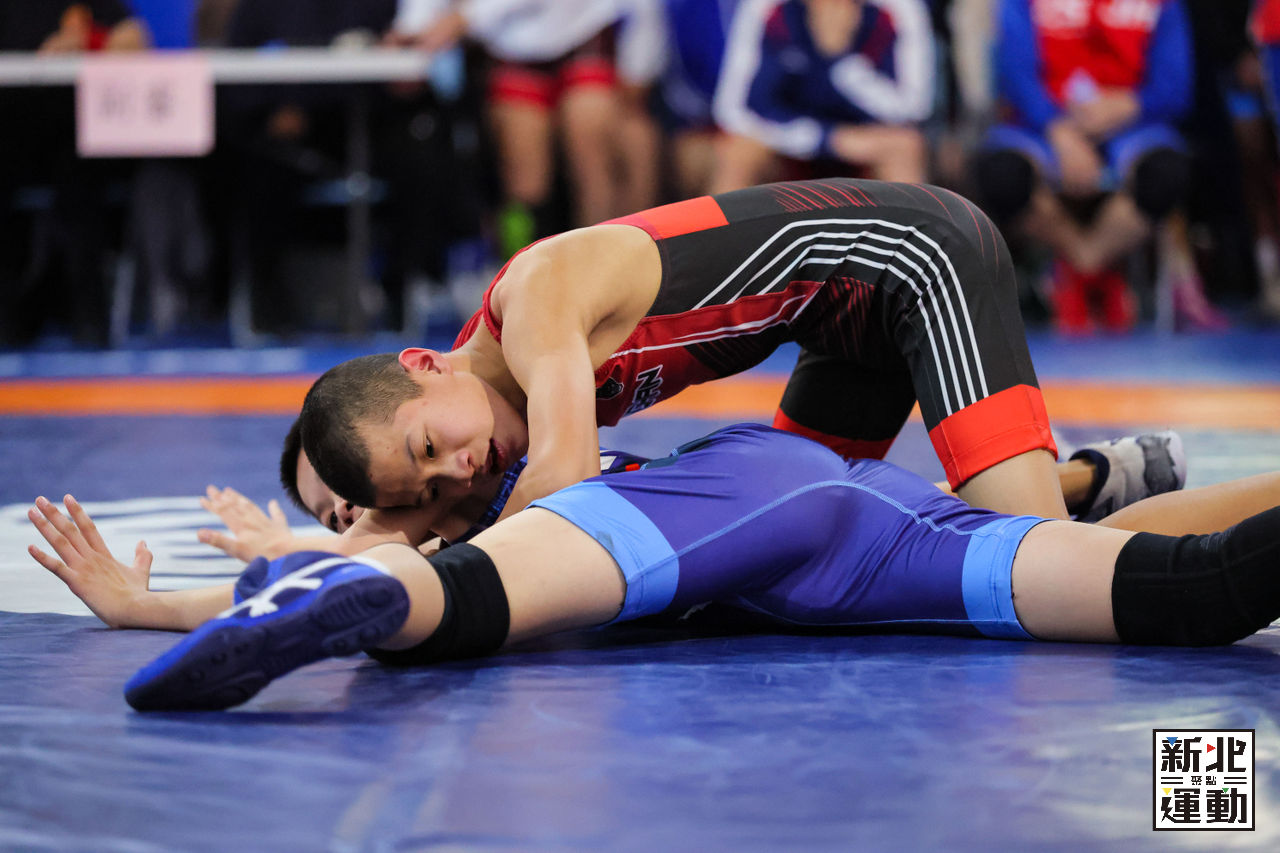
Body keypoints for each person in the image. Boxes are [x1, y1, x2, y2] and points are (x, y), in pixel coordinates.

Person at [26, 423, 1280, 712]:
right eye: (334, 510)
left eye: (354, 493)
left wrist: (165, 595)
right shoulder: (486, 463)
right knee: (1196, 591)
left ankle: (1090, 475)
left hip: (736, 506)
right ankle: (1099, 477)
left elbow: (407, 561)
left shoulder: (501, 491)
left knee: (461, 600)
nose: (357, 511)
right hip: (870, 530)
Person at [296, 177, 1189, 557]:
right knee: (824, 534)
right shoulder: (474, 413)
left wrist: (410, 552)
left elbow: (563, 483)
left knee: (1031, 563)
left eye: (428, 448)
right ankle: (1088, 476)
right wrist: (354, 541)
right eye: (426, 487)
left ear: (426, 364)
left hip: (914, 259)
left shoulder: (533, 300)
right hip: (839, 323)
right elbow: (430, 509)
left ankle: (1224, 539)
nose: (458, 471)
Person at [971, 0, 1199, 333]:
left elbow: (1176, 86)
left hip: (1132, 123)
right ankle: (1086, 263)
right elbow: (1015, 75)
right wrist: (1058, 130)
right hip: (1042, 126)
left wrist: (1130, 105)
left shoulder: (1163, 5)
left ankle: (1084, 264)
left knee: (1166, 174)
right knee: (1001, 176)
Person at [710, 0, 935, 192]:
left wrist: (841, 63)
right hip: (789, 139)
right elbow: (733, 109)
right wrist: (825, 139)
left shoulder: (897, 8)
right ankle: (718, 231)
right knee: (737, 152)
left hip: (865, 138)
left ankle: (911, 231)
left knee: (905, 147)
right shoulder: (768, 7)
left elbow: (914, 107)